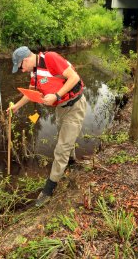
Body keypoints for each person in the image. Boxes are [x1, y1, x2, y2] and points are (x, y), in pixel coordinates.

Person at [10, 46, 87, 207]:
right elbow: (31, 93)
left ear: (26, 59)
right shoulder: (35, 72)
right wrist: (16, 106)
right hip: (61, 108)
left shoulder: (50, 58)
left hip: (74, 106)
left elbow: (74, 78)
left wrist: (56, 95)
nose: (22, 70)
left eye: (21, 66)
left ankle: (48, 189)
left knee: (61, 148)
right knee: (64, 139)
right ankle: (72, 162)